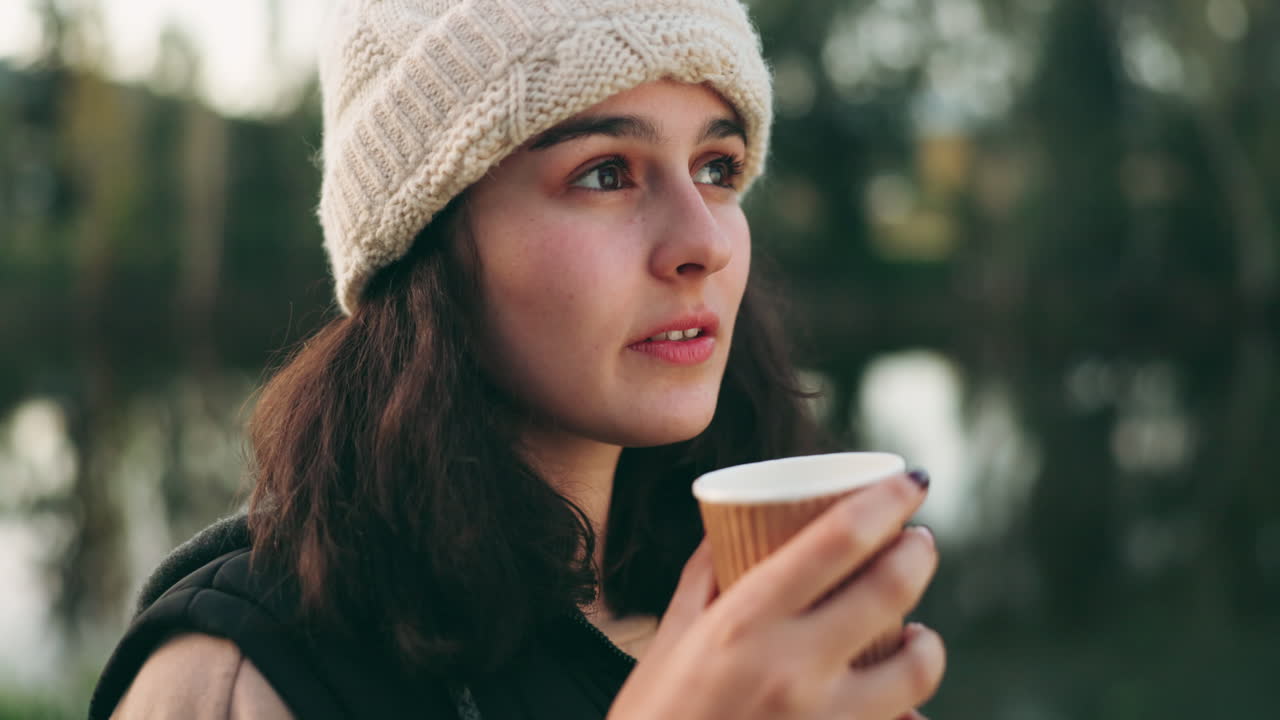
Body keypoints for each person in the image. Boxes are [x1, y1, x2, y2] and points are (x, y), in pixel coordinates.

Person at [88, 0, 945, 718]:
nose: (704, 241)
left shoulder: (729, 606)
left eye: (717, 166)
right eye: (606, 173)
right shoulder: (253, 672)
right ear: (425, 241)